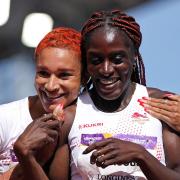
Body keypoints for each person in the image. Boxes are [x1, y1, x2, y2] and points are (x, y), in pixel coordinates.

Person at [67, 9, 180, 180]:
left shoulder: (163, 106)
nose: (106, 70)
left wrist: (141, 155)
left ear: (134, 56)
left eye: (117, 59)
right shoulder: (72, 113)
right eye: (96, 60)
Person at [0, 27, 82, 180]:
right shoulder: (5, 118)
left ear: (84, 77)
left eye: (64, 75)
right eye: (43, 73)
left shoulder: (94, 121)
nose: (51, 86)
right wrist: (27, 154)